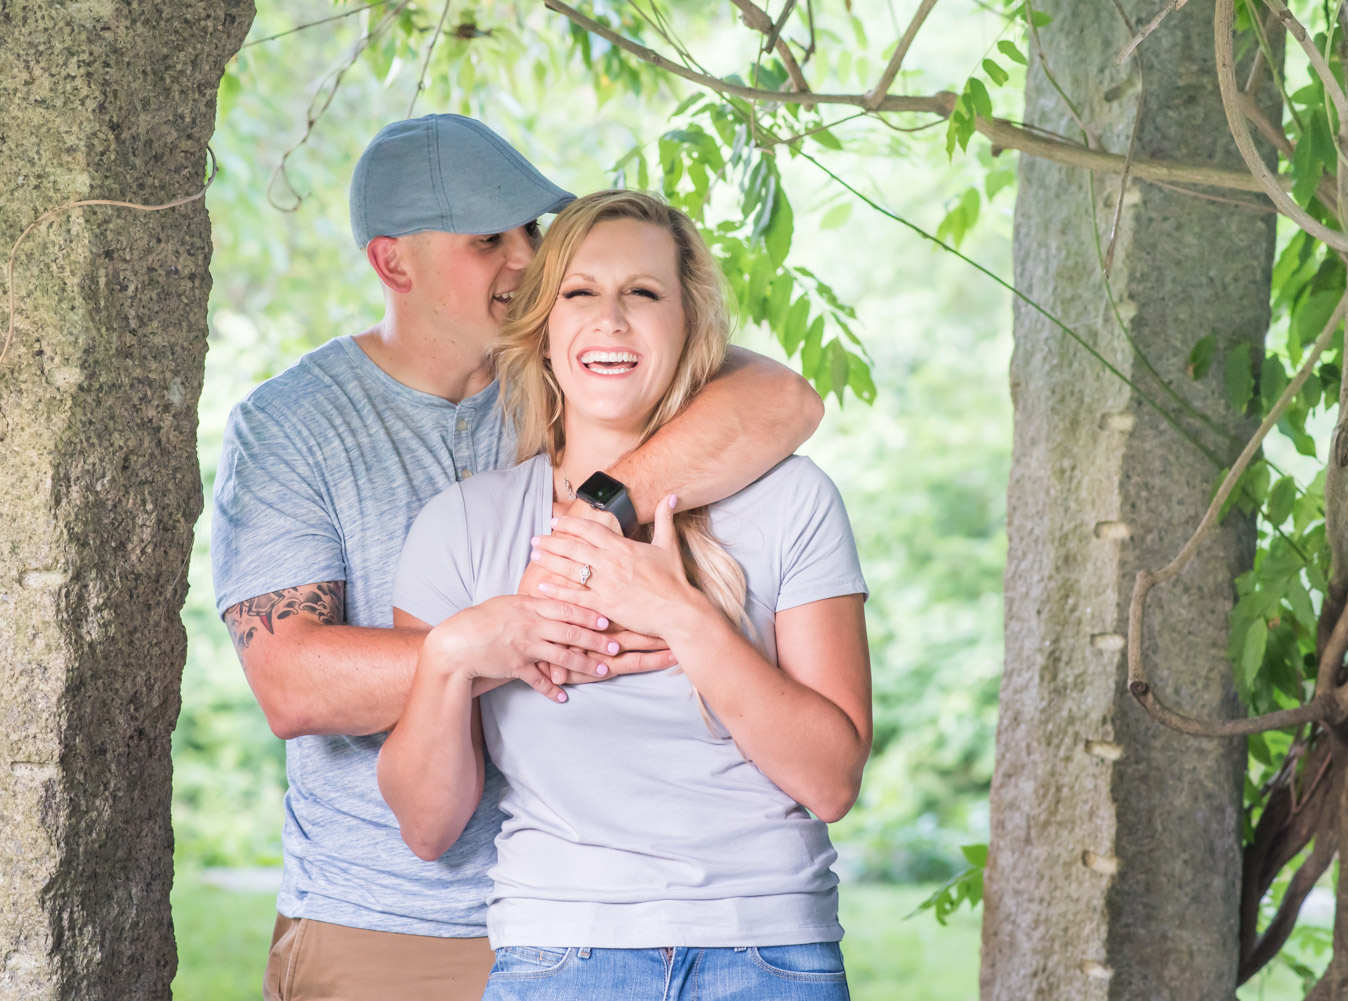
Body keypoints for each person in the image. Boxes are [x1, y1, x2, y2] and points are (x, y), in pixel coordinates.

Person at [210, 117, 825, 1001]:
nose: (526, 258)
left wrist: (596, 519)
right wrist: (504, 639)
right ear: (394, 264)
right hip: (396, 918)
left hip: (592, 923)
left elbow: (781, 399)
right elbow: (293, 683)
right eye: (489, 239)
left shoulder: (572, 373)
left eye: (534, 233)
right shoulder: (293, 423)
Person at [381, 190, 872, 1001]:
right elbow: (429, 828)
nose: (610, 319)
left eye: (643, 294)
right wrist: (449, 656)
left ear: (690, 329)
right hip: (559, 955)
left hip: (768, 951)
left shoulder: (793, 500)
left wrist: (681, 613)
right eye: (580, 293)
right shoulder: (463, 525)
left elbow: (832, 781)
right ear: (543, 330)